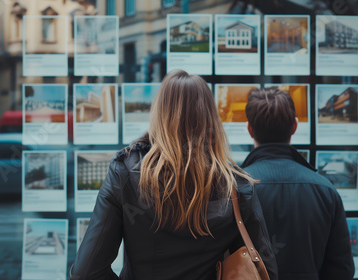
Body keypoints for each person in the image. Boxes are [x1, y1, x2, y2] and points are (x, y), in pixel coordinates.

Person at [70, 70, 278, 280]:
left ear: (158, 113)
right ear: (210, 120)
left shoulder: (125, 172)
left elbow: (85, 273)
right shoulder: (236, 186)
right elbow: (265, 270)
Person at [241, 88, 355, 280]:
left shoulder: (236, 189)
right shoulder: (325, 190)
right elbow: (341, 270)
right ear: (294, 126)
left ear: (249, 129)